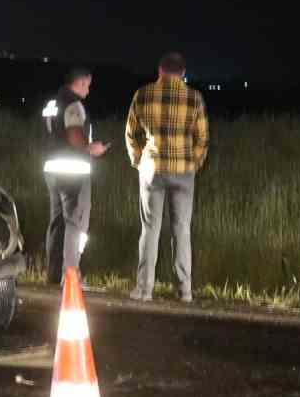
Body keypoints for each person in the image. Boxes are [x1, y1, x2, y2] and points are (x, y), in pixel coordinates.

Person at [124, 52, 208, 302]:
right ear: (182, 73)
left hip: (152, 169)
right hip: (183, 171)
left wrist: (138, 160)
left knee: (150, 229)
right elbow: (202, 138)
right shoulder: (195, 98)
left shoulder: (143, 94)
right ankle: (184, 291)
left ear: (160, 71)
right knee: (181, 230)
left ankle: (144, 290)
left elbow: (131, 133)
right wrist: (194, 162)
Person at [41, 66, 108, 283]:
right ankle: (70, 275)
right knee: (75, 222)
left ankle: (52, 275)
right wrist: (91, 148)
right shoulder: (74, 105)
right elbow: (73, 135)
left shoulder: (52, 103)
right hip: (72, 169)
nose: (88, 91)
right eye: (87, 86)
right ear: (79, 83)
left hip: (51, 167)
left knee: (57, 222)